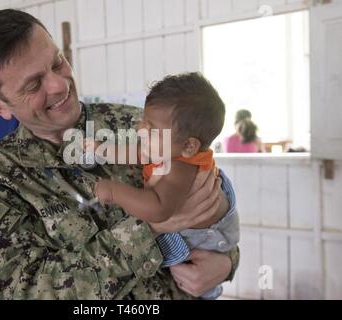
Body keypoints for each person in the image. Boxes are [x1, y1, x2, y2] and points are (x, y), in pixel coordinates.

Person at [0, 9, 239, 299]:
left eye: (58, 62)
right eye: (34, 84)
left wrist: (226, 262)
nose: (59, 84)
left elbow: (213, 209)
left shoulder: (137, 125)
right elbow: (24, 292)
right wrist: (148, 227)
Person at [90, 73, 239, 299]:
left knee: (184, 273)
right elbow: (136, 153)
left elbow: (159, 208)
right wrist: (102, 149)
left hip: (206, 243)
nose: (140, 130)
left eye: (151, 129)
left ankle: (210, 292)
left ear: (189, 146)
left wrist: (113, 191)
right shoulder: (168, 147)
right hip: (198, 234)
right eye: (143, 120)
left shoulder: (181, 168)